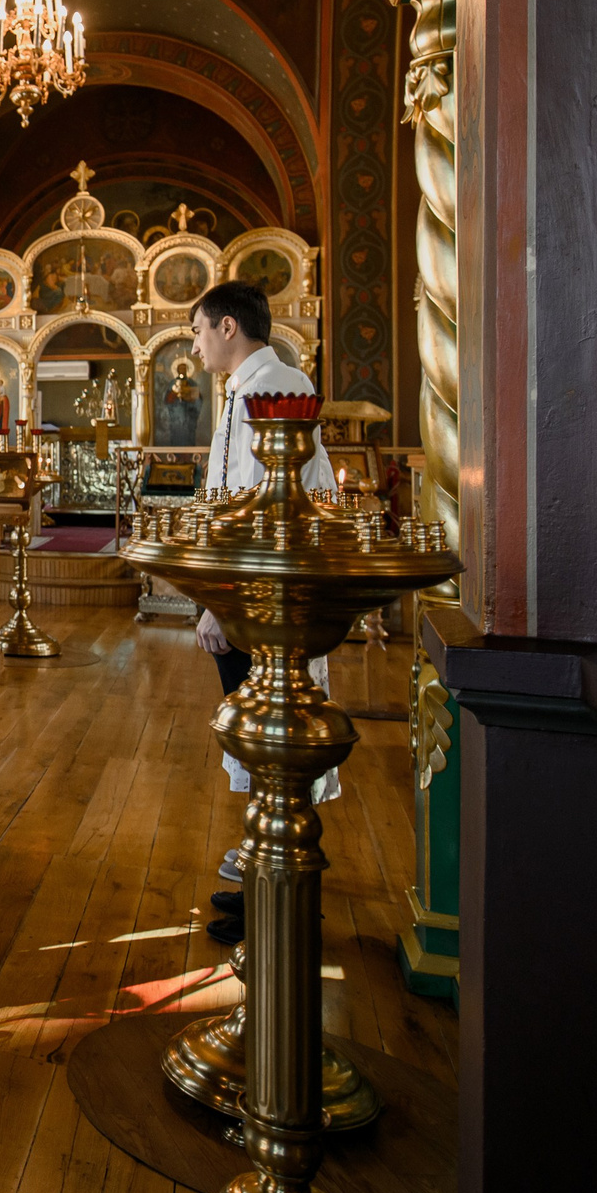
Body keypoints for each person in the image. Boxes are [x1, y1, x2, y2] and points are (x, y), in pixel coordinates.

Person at [187, 279, 335, 945]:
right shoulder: (254, 387)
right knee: (261, 740)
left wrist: (223, 606)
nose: (194, 347)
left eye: (198, 331)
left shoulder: (268, 391)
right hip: (257, 598)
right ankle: (263, 882)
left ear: (228, 327)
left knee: (273, 743)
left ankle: (280, 902)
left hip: (262, 604)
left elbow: (258, 513)